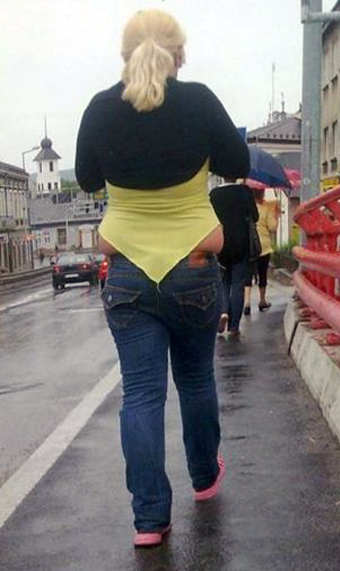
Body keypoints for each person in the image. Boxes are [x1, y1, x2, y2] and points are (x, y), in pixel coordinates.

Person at [75, 9, 249, 547]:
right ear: (180, 55)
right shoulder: (198, 101)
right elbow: (238, 161)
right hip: (193, 266)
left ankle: (150, 519)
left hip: (127, 270)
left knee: (141, 395)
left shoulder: (101, 108)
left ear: (124, 56)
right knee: (195, 380)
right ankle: (204, 476)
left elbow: (86, 179)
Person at [209, 178, 258, 338]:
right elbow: (255, 216)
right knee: (238, 285)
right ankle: (234, 326)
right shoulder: (244, 192)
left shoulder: (214, 194)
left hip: (220, 244)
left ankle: (223, 311)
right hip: (241, 245)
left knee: (223, 282)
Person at [244, 188, 279, 314]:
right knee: (262, 273)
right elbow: (272, 227)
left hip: (249, 245)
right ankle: (262, 300)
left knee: (248, 274)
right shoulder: (266, 207)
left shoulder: (246, 207)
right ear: (262, 192)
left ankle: (247, 302)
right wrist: (276, 216)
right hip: (263, 246)